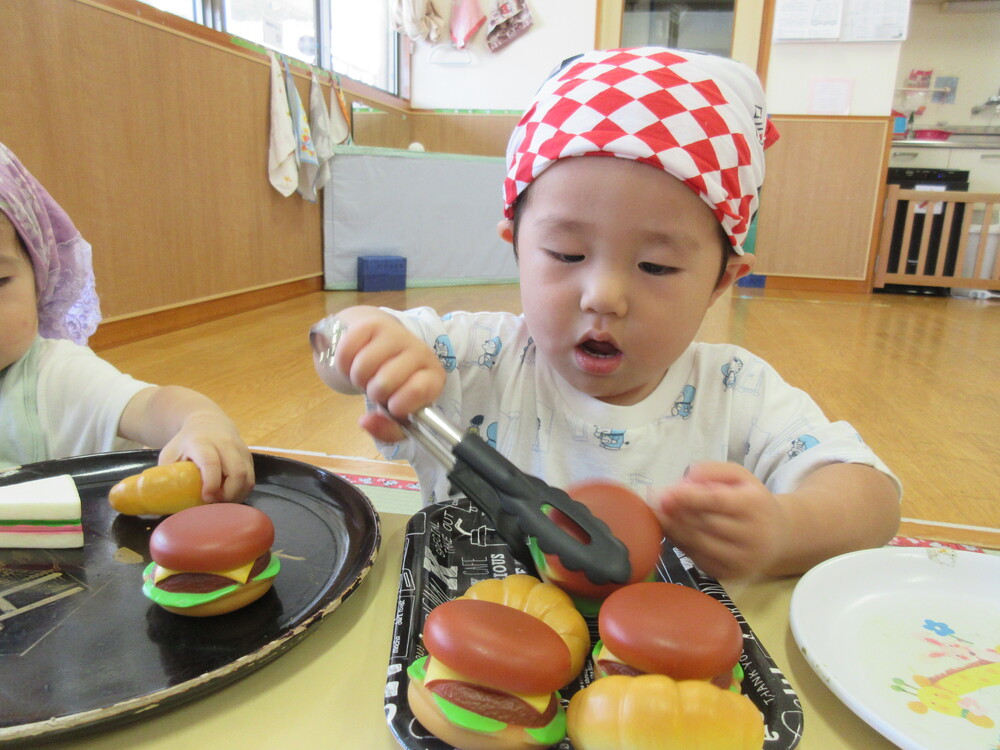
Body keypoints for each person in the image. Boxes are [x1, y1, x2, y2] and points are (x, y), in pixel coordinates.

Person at [315, 48, 901, 579]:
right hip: (471, 649)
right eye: (567, 254)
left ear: (722, 281)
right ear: (515, 246)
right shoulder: (477, 359)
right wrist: (365, 342)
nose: (604, 296)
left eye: (656, 267)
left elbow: (873, 500)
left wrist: (784, 529)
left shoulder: (735, 394)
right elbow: (333, 343)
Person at [0, 142, 254, 502]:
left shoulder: (53, 376)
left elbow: (149, 406)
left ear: (40, 274)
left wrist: (199, 422)